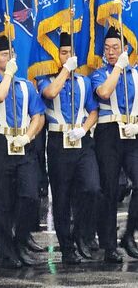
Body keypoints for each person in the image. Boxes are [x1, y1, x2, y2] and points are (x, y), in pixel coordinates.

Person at [0, 36, 45, 269]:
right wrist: (7, 74)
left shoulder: (26, 86)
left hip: (23, 142)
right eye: (4, 55)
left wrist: (28, 135)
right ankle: (7, 251)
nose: (9, 58)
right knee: (2, 200)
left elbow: (38, 114)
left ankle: (20, 242)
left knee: (30, 196)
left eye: (11, 54)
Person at [37, 32, 101, 264]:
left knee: (92, 188)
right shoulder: (46, 78)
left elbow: (93, 110)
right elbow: (50, 93)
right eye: (63, 52)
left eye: (71, 53)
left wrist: (84, 129)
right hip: (58, 143)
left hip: (81, 141)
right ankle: (67, 248)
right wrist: (65, 70)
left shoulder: (83, 81)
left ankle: (79, 235)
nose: (68, 56)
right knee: (61, 198)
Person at [91, 26, 138, 263]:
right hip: (108, 133)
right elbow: (104, 93)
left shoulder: (137, 74)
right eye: (107, 48)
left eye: (115, 48)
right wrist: (118, 67)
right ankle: (109, 245)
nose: (110, 52)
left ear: (126, 49)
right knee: (109, 190)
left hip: (133, 133)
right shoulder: (100, 74)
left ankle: (128, 235)